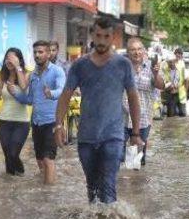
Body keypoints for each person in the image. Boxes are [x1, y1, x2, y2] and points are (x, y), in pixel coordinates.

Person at [54, 17, 143, 204]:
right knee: (92, 189)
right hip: (86, 138)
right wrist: (58, 127)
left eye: (106, 36)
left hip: (113, 137)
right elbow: (65, 95)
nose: (101, 41)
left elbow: (134, 98)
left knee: (108, 187)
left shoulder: (123, 64)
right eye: (98, 36)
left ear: (113, 38)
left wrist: (135, 133)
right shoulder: (79, 65)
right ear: (92, 35)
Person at [9, 41, 66, 184]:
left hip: (51, 121)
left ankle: (49, 193)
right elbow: (29, 99)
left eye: (40, 52)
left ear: (48, 53)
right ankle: (44, 190)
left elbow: (62, 91)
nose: (37, 55)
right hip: (36, 122)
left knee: (48, 159)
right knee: (40, 160)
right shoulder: (33, 74)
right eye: (35, 52)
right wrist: (15, 93)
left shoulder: (57, 71)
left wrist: (51, 93)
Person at [122, 38, 164, 166]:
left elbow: (161, 86)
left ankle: (135, 183)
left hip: (143, 119)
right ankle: (120, 183)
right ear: (128, 52)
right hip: (121, 117)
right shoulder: (122, 67)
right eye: (133, 50)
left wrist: (156, 74)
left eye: (139, 49)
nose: (137, 52)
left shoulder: (152, 67)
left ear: (144, 51)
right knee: (118, 155)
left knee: (136, 161)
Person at [0, 48, 29, 176]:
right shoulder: (2, 76)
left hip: (22, 122)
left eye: (13, 58)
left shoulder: (26, 74)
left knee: (13, 154)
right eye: (7, 58)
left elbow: (24, 88)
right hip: (4, 121)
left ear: (19, 60)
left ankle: (21, 173)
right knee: (8, 156)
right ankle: (10, 188)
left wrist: (17, 67)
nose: (9, 60)